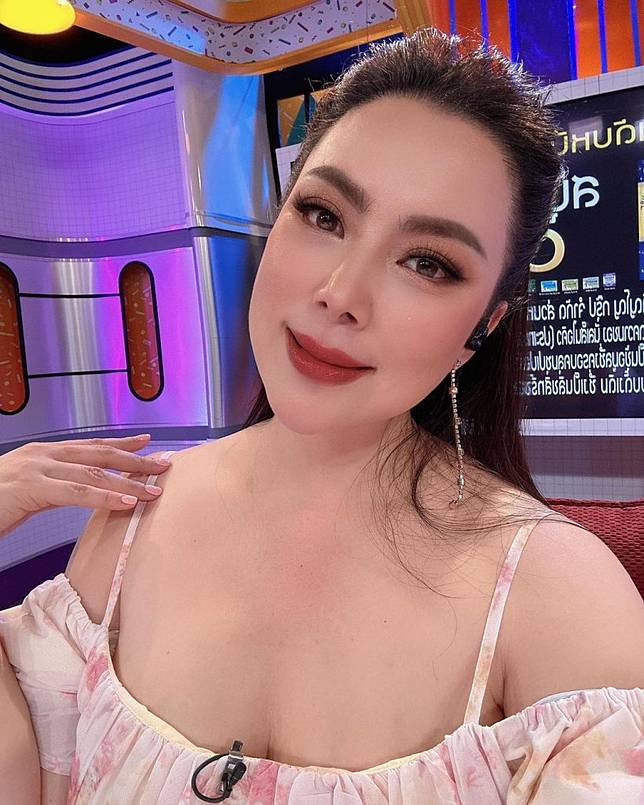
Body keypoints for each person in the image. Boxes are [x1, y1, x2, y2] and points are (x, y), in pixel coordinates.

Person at [1, 25, 643, 804]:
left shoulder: (558, 596)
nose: (341, 294)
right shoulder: (133, 512)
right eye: (324, 215)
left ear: (483, 327)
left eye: (428, 262)